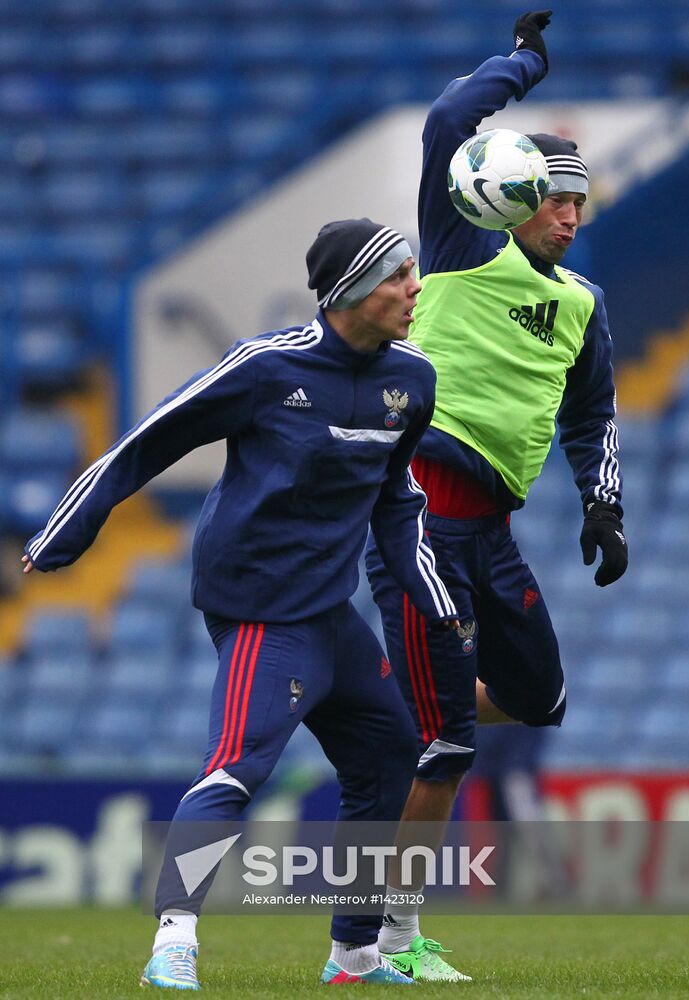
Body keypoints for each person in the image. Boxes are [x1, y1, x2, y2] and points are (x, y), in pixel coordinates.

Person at [22, 217, 460, 989]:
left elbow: (397, 495)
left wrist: (430, 593)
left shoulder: (413, 379)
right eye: (396, 275)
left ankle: (355, 954)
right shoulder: (264, 368)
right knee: (237, 768)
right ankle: (174, 940)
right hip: (262, 608)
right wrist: (66, 532)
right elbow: (147, 441)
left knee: (391, 756)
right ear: (351, 289)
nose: (413, 287)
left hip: (329, 609)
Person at [365, 10, 628, 981]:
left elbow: (591, 414)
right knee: (452, 747)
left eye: (577, 200)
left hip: (496, 536)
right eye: (552, 197)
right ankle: (391, 940)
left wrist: (603, 505)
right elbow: (445, 122)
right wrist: (519, 66)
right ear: (511, 197)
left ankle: (390, 705)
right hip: (421, 518)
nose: (567, 212)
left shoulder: (582, 304)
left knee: (539, 699)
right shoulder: (464, 253)